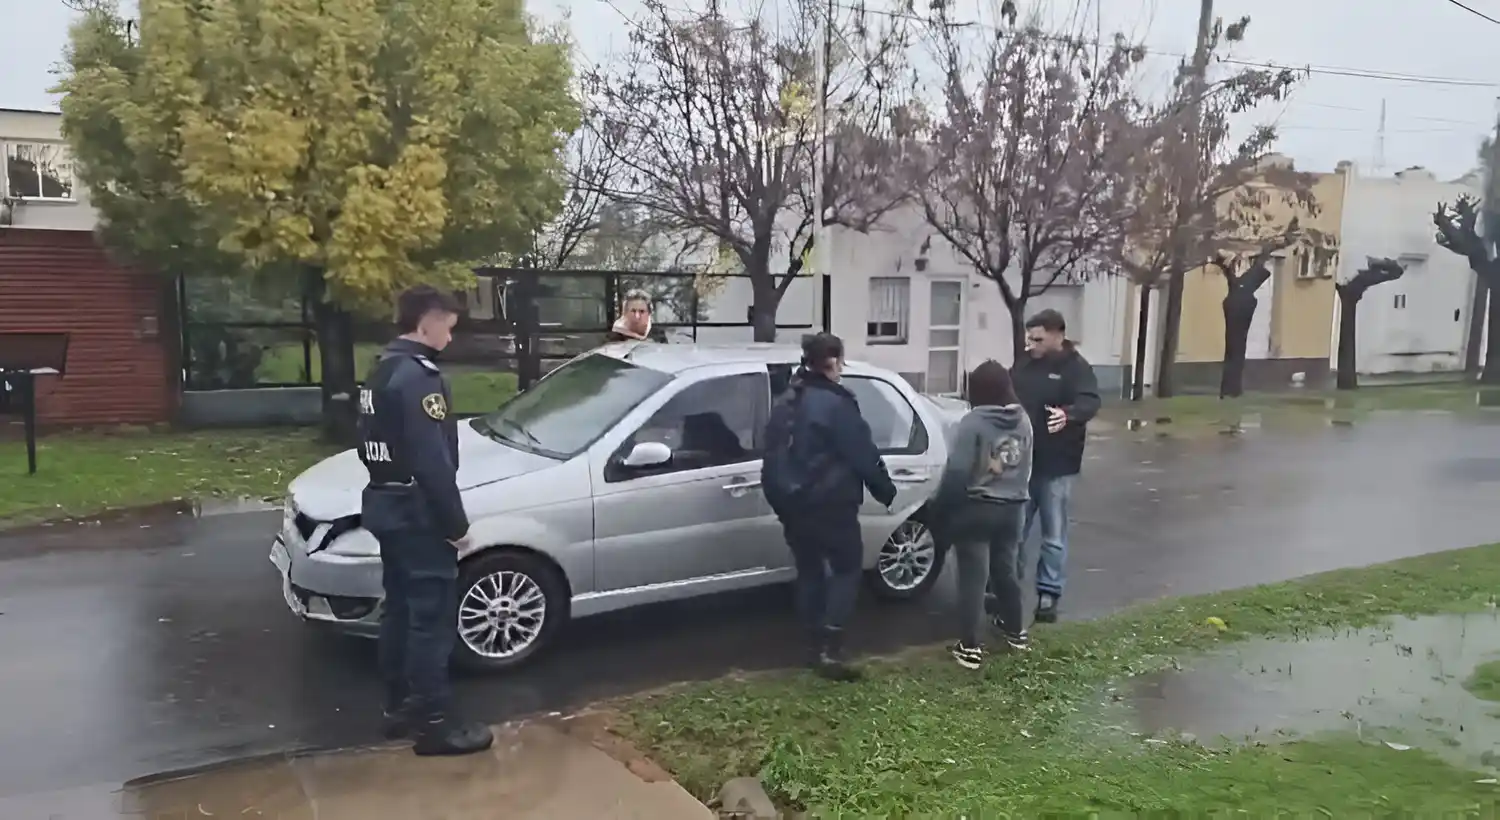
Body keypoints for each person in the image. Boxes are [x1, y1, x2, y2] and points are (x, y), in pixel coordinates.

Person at [358, 284, 493, 756]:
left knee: (399, 610)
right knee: (431, 621)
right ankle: (434, 724)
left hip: (386, 502)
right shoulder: (419, 378)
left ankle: (400, 708)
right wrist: (456, 527)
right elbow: (431, 461)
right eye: (448, 327)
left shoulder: (382, 369)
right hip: (418, 513)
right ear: (427, 321)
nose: (450, 338)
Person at [762, 332, 896, 682]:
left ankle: (812, 644)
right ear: (833, 362)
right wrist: (885, 490)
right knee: (847, 568)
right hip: (830, 503)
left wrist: (780, 497)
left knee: (809, 570)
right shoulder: (838, 404)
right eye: (840, 362)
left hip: (791, 503)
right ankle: (830, 648)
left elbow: (772, 452)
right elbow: (862, 453)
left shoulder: (787, 399)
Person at [929, 360, 1033, 670]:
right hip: (1014, 507)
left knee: (974, 578)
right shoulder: (1023, 420)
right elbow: (1026, 466)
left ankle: (970, 647)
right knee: (1006, 571)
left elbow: (958, 471)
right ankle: (1017, 633)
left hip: (977, 508)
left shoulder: (973, 422)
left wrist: (940, 507)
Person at [1012, 309, 1100, 624]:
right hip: (1023, 463)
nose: (1031, 345)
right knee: (1015, 532)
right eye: (1029, 338)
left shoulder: (1076, 368)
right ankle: (1006, 590)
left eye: (1038, 339)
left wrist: (1069, 414)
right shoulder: (1024, 364)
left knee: (1053, 534)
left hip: (1058, 465)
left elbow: (1090, 402)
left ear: (1057, 336)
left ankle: (1048, 594)